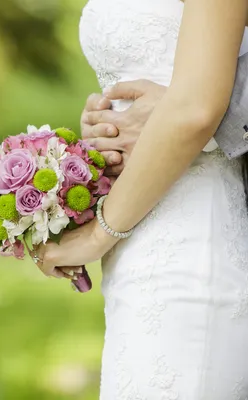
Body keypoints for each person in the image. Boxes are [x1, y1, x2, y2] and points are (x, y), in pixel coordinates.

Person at [35, 0, 248, 397]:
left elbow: (196, 108)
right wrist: (108, 129)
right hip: (141, 233)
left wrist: (100, 232)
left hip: (194, 237)